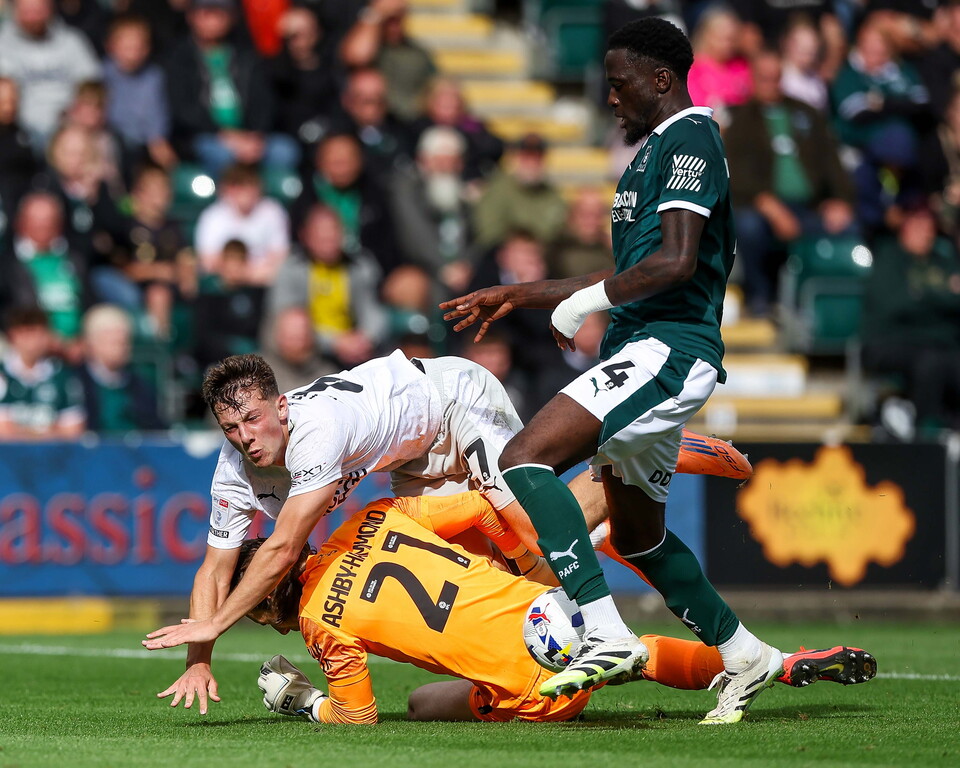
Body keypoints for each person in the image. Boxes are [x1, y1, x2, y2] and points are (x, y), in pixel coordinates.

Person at [442, 17, 781, 725]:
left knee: (525, 458)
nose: (611, 98)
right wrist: (528, 295)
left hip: (667, 350)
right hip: (643, 347)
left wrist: (583, 303)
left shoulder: (691, 138)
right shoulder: (656, 150)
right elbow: (633, 269)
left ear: (661, 79)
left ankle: (604, 631)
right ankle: (745, 654)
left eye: (621, 84)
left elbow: (676, 263)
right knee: (637, 536)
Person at [241, 492, 877, 724]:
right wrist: (520, 566)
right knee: (641, 648)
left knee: (417, 703)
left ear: (270, 602)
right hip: (550, 609)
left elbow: (358, 716)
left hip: (542, 689)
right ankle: (780, 662)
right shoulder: (375, 515)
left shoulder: (320, 623)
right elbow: (488, 505)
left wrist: (301, 700)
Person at [725, 49, 857, 317]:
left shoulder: (806, 113)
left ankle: (832, 308)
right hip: (761, 207)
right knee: (749, 226)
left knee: (849, 227)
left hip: (810, 207)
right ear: (752, 78)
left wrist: (841, 201)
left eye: (775, 78)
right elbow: (737, 176)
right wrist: (770, 206)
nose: (770, 85)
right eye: (764, 78)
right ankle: (760, 296)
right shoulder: (740, 121)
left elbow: (831, 162)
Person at [0, 0, 101, 149]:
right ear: (15, 11)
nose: (33, 17)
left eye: (38, 10)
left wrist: (76, 115)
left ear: (50, 9)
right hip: (19, 130)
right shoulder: (3, 44)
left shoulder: (72, 41)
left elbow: (92, 85)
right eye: (27, 11)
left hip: (71, 127)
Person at [75, 303, 166, 433]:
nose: (123, 348)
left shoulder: (140, 384)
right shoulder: (75, 382)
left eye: (125, 342)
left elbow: (156, 430)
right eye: (114, 342)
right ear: (91, 344)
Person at [0, 306, 86, 440]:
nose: (33, 341)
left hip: (53, 459)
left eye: (39, 333)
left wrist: (21, 432)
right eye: (26, 333)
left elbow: (72, 432)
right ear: (13, 336)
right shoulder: (3, 374)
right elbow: (3, 433)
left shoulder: (63, 377)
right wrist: (47, 432)